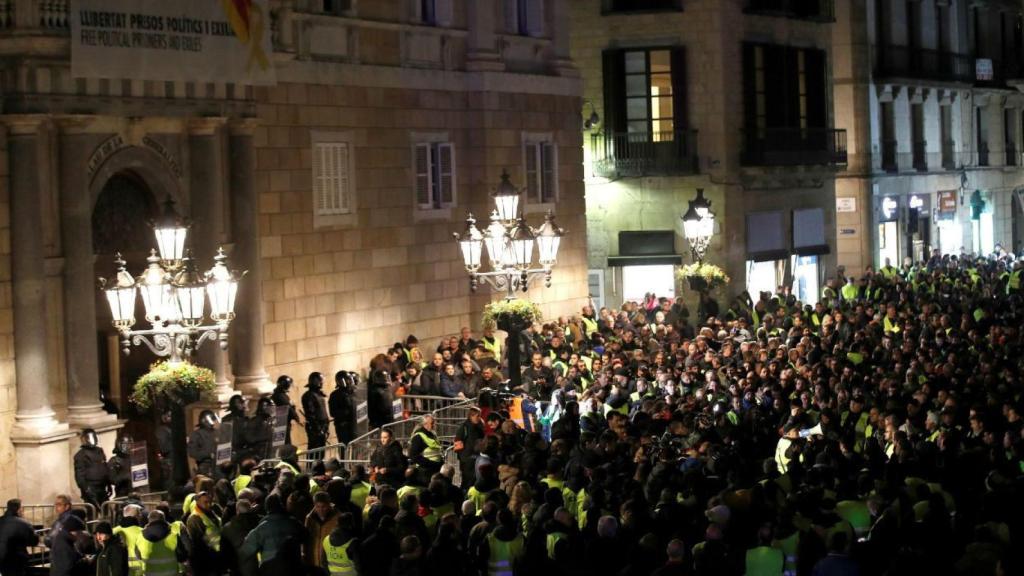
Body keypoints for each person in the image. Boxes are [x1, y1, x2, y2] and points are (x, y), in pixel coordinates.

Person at [240, 494, 306, 571]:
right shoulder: (293, 523)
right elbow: (306, 536)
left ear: (267, 508)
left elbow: (246, 550)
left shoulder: (261, 528)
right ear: (281, 506)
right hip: (293, 569)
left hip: (270, 570)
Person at [136, 511, 187, 576]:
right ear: (164, 519)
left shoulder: (140, 536)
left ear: (149, 520)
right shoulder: (173, 536)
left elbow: (138, 556)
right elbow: (182, 557)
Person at [46, 495, 86, 576]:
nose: (56, 507)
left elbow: (79, 541)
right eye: (55, 505)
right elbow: (49, 539)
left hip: (67, 560)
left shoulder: (73, 520)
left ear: (67, 506)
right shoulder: (58, 521)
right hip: (57, 559)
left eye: (59, 505)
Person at [185, 491, 222, 576]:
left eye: (210, 502)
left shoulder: (211, 513)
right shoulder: (194, 518)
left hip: (215, 555)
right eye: (205, 502)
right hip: (205, 558)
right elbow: (197, 541)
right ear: (198, 502)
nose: (209, 504)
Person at [221, 498, 260, 576]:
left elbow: (225, 551)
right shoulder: (260, 522)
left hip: (239, 568)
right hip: (261, 566)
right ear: (250, 509)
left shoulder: (227, 528)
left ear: (237, 511)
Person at [0, 499, 39, 576]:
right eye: (22, 508)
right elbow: (34, 541)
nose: (23, 510)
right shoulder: (24, 523)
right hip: (17, 559)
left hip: (2, 559)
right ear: (18, 509)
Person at [73, 428, 110, 508]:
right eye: (89, 437)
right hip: (91, 488)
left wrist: (109, 484)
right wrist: (86, 489)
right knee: (92, 511)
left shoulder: (99, 451)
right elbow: (79, 476)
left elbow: (104, 467)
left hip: (102, 487)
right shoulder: (80, 455)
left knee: (105, 509)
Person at [304, 492, 338, 570]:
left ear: (329, 505)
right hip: (313, 562)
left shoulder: (337, 518)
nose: (320, 510)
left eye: (323, 507)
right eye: (318, 506)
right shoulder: (309, 519)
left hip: (330, 563)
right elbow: (305, 539)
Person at [454, 407, 485, 488]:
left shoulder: (479, 426)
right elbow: (457, 444)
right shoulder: (464, 427)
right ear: (471, 416)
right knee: (466, 481)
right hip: (467, 460)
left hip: (476, 458)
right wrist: (464, 458)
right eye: (477, 416)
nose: (479, 418)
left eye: (480, 416)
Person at [321, 512, 359, 576]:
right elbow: (358, 565)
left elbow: (323, 562)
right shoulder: (353, 542)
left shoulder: (326, 539)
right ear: (351, 525)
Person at [188, 410, 220, 479]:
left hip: (219, 465)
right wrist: (209, 454)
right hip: (205, 466)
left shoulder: (217, 432)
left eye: (213, 419)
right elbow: (192, 452)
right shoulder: (197, 434)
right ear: (203, 420)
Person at [329, 371, 358, 445]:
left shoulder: (353, 392)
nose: (350, 381)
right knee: (344, 447)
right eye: (347, 379)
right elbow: (333, 412)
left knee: (357, 446)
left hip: (354, 424)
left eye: (350, 379)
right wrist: (347, 412)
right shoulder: (335, 395)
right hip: (343, 427)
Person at [302, 372, 330, 450]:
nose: (322, 382)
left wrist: (325, 426)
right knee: (314, 450)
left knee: (321, 451)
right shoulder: (308, 395)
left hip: (323, 426)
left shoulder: (319, 394)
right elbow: (310, 414)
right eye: (320, 380)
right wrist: (318, 428)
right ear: (315, 381)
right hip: (315, 428)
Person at [271, 375, 302, 445]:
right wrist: (297, 418)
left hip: (280, 423)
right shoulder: (280, 396)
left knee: (281, 443)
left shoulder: (278, 395)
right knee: (284, 444)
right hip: (282, 424)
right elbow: (289, 408)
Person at [222, 394, 251, 461]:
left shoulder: (246, 419)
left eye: (244, 402)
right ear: (235, 405)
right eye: (241, 403)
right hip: (234, 452)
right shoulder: (228, 420)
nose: (244, 405)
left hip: (244, 450)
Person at [154, 412, 175, 490]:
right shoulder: (161, 430)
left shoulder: (170, 429)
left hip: (172, 461)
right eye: (169, 416)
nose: (171, 418)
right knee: (168, 484)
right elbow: (163, 448)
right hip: (167, 462)